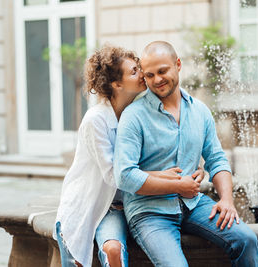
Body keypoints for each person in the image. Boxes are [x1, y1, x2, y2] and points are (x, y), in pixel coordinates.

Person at [54, 44, 204, 267]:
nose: (143, 75)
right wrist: (166, 177)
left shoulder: (136, 112)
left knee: (116, 249)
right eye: (135, 71)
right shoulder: (96, 120)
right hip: (91, 204)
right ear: (117, 84)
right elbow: (114, 176)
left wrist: (193, 170)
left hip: (124, 205)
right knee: (106, 251)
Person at [114, 41, 258, 267]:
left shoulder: (200, 111)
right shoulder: (134, 115)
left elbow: (217, 160)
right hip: (149, 212)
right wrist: (177, 186)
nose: (157, 80)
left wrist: (227, 200)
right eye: (150, 75)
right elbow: (124, 175)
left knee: (246, 239)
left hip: (193, 205)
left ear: (178, 65)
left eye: (162, 71)